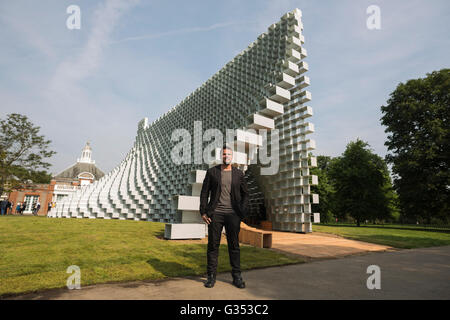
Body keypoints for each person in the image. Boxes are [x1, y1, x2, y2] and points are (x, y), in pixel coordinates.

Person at [199, 143, 249, 289]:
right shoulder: (212, 172)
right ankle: (211, 276)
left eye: (228, 154)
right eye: (224, 154)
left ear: (232, 157)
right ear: (221, 156)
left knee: (234, 246)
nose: (226, 156)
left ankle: (237, 277)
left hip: (233, 214)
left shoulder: (239, 174)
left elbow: (246, 194)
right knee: (213, 246)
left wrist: (242, 211)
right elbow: (204, 193)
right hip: (215, 214)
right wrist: (203, 211)